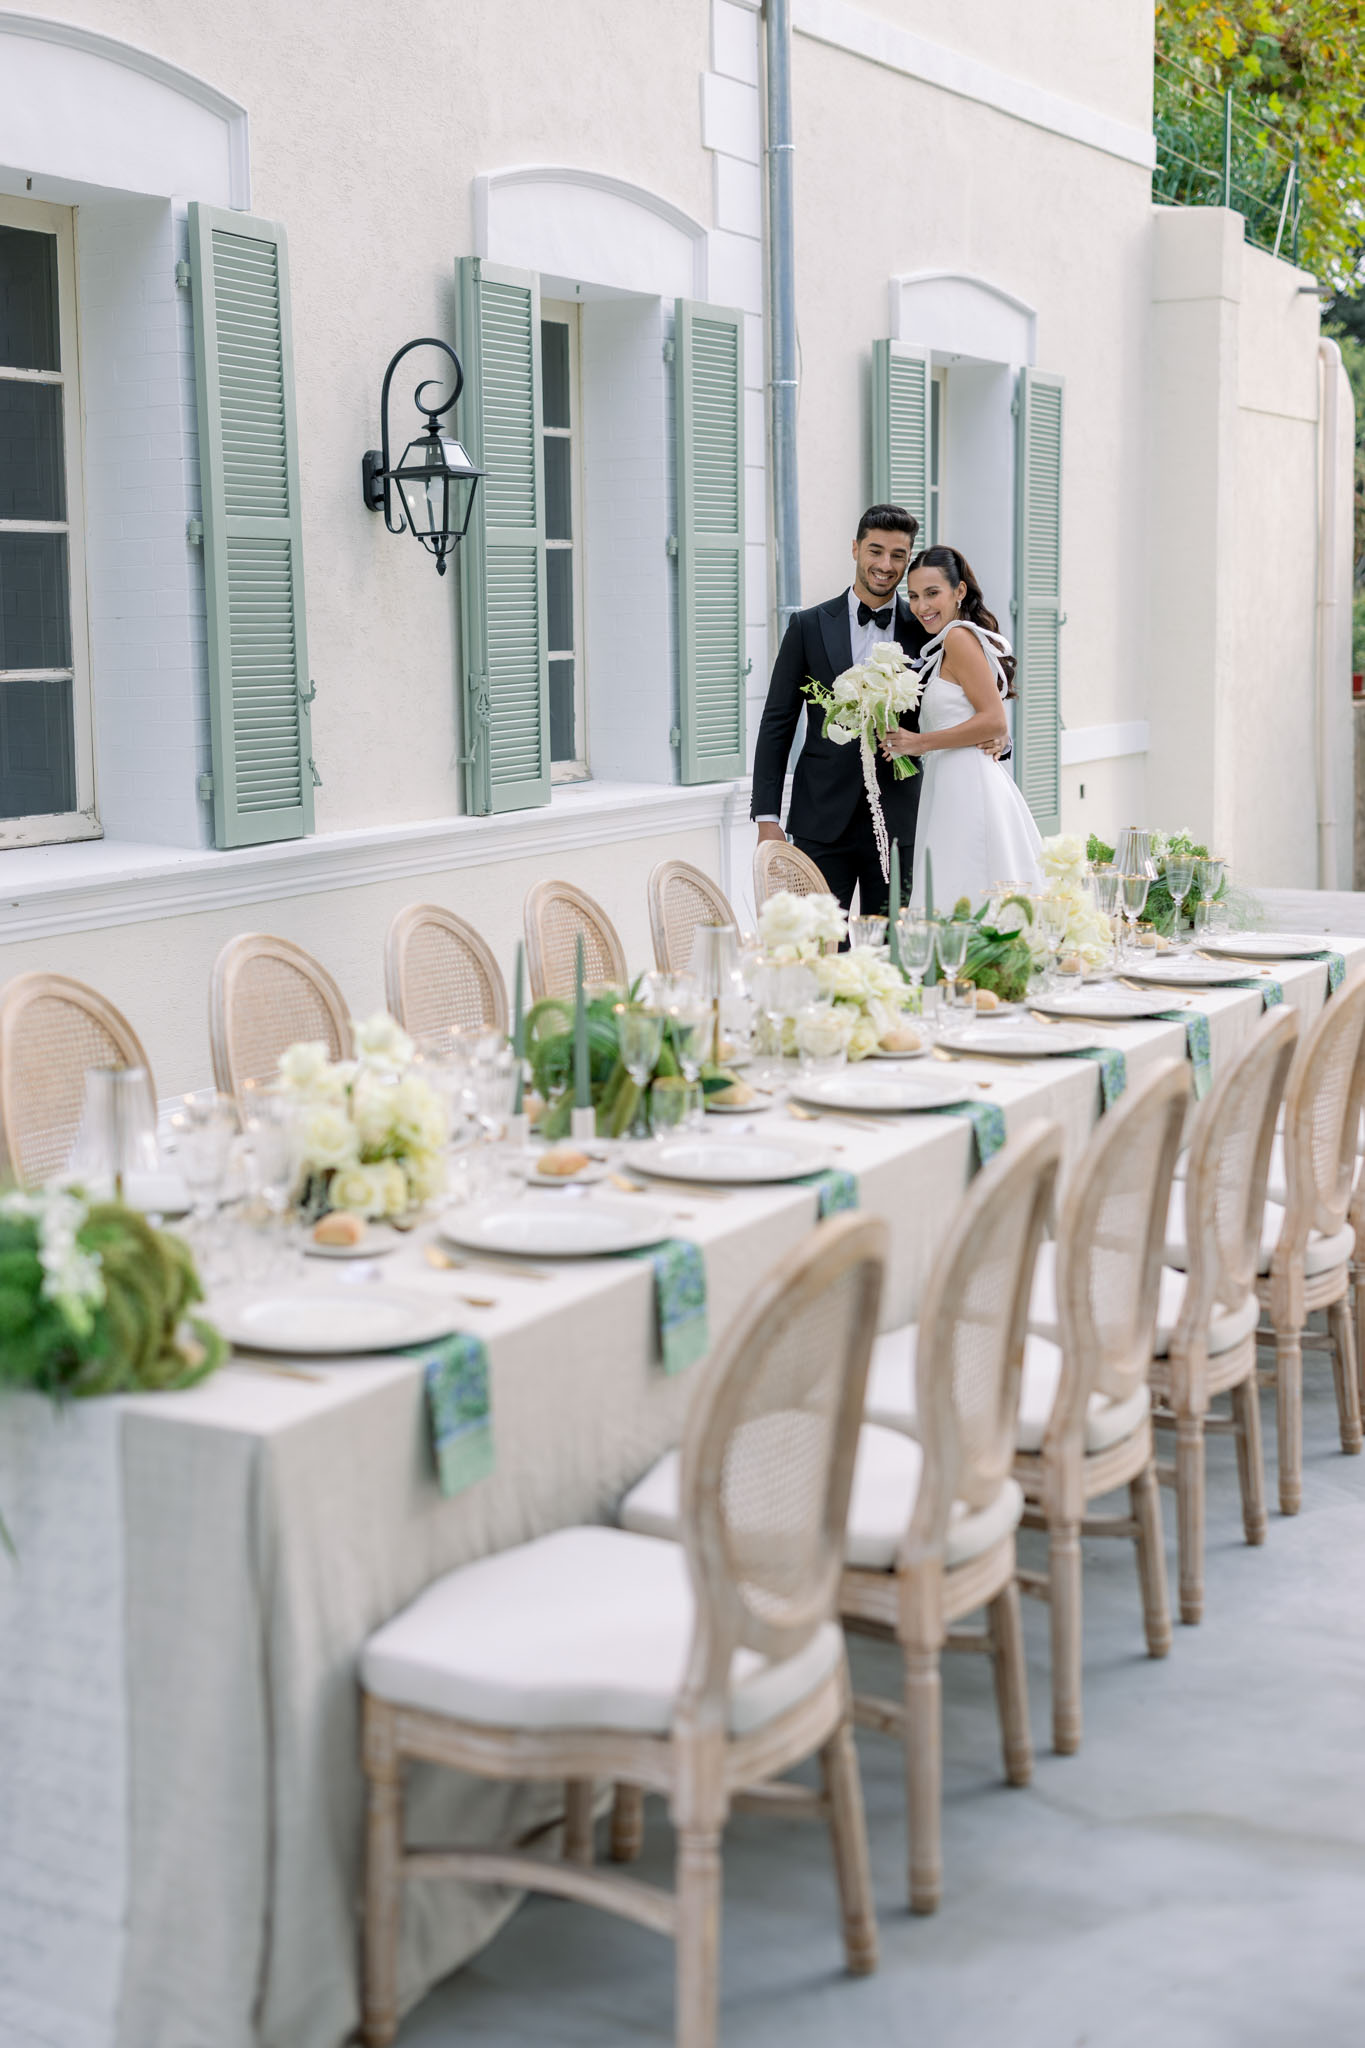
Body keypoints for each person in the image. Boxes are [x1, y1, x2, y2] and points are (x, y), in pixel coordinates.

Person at [750, 504, 926, 915]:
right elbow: (777, 722)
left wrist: (994, 734)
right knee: (821, 948)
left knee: (893, 951)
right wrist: (766, 817)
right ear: (855, 549)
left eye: (898, 555)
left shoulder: (925, 630)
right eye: (875, 551)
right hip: (821, 821)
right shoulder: (807, 626)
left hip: (900, 820)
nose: (885, 565)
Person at [882, 544, 1042, 908]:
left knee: (966, 887)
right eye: (915, 596)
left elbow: (993, 719)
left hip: (967, 785)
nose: (922, 606)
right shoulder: (943, 645)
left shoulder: (958, 637)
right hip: (949, 783)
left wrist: (918, 743)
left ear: (959, 591)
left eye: (932, 593)